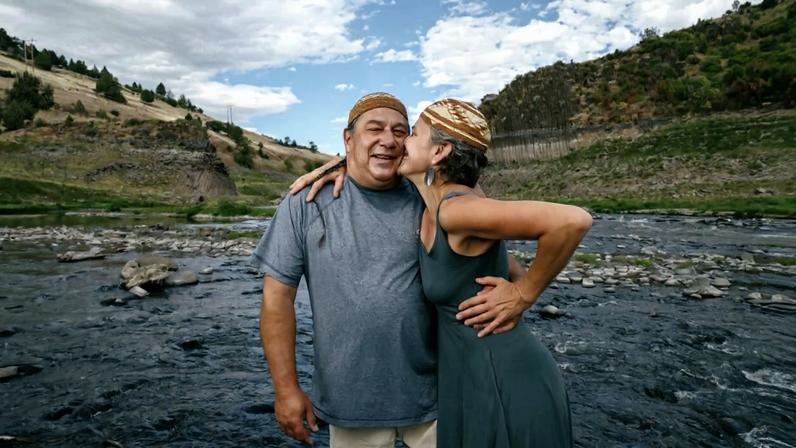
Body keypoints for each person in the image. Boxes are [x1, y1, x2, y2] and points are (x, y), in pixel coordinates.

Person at [398, 98, 591, 447]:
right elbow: (507, 267)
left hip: (503, 378)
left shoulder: (459, 211)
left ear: (439, 152)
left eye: (412, 134)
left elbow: (572, 221)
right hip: (468, 378)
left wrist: (524, 294)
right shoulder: (439, 203)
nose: (402, 143)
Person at [251, 93, 439, 447]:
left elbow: (480, 218)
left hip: (438, 398)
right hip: (351, 402)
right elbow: (277, 298)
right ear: (348, 139)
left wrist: (520, 293)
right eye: (375, 129)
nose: (389, 139)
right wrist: (285, 389)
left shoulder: (428, 197)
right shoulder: (304, 202)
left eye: (401, 131)